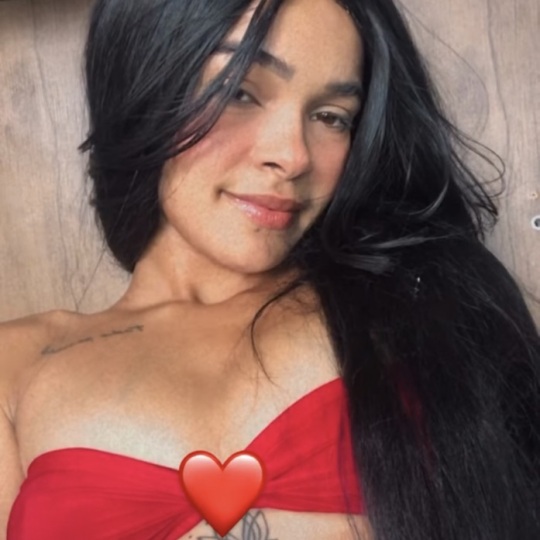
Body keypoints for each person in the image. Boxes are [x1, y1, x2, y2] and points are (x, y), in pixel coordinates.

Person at [1, 0, 539, 538]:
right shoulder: (17, 363)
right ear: (144, 81)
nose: (293, 155)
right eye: (239, 91)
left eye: (332, 116)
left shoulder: (425, 301)